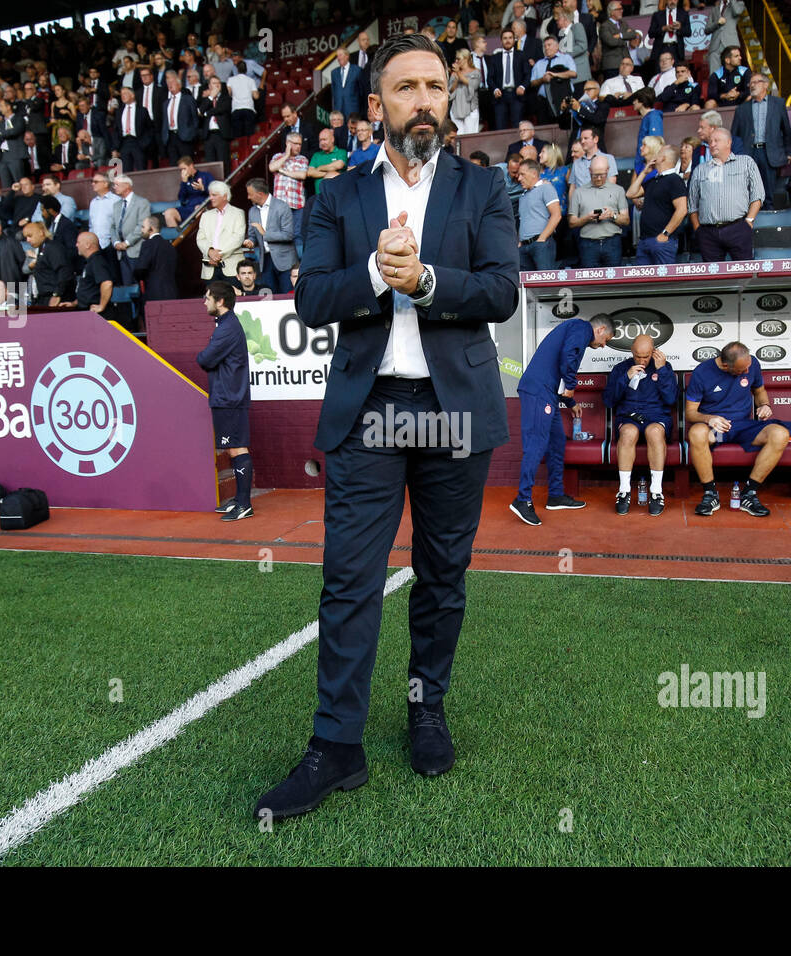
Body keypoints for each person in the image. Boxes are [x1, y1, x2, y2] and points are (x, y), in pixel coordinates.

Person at [261, 33, 519, 821]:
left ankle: (424, 708)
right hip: (371, 409)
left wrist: (430, 280)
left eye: (435, 87)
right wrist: (376, 273)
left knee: (443, 576)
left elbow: (502, 291)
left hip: (450, 412)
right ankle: (337, 746)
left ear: (449, 100)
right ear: (376, 106)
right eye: (405, 87)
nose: (422, 101)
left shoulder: (486, 187)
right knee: (350, 581)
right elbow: (310, 299)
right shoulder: (339, 195)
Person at [512, 315, 614, 523]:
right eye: (606, 340)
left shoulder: (576, 330)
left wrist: (571, 402)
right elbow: (567, 356)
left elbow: (561, 363)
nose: (603, 345)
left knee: (557, 441)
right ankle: (522, 500)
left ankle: (556, 495)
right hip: (538, 391)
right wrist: (570, 385)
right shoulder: (582, 327)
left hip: (547, 392)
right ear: (601, 329)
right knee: (536, 445)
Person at [685, 341, 789, 517]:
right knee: (696, 433)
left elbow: (759, 390)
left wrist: (764, 405)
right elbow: (690, 413)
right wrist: (710, 419)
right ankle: (710, 494)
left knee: (780, 434)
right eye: (742, 370)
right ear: (726, 365)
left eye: (748, 367)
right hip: (718, 431)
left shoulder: (752, 363)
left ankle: (749, 493)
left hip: (743, 427)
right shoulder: (702, 372)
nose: (747, 372)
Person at [196, 278, 255, 521]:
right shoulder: (226, 325)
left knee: (237, 447)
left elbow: (205, 359)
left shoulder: (228, 327)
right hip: (227, 396)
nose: (204, 302)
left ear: (220, 301)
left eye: (208, 298)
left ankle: (244, 503)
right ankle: (240, 500)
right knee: (233, 448)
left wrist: (205, 356)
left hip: (230, 398)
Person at [605, 333, 677, 514]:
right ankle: (624, 491)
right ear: (632, 352)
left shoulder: (663, 366)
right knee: (628, 432)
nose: (642, 360)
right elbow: (609, 401)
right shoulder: (621, 369)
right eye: (638, 356)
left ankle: (656, 492)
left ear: (653, 351)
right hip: (629, 416)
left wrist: (661, 371)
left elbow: (671, 400)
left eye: (646, 356)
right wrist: (625, 378)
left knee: (654, 432)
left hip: (656, 416)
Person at [689, 127, 764, 262]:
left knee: (743, 274)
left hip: (738, 228)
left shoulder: (746, 162)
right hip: (708, 233)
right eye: (710, 141)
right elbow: (692, 205)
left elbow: (757, 195)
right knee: (712, 280)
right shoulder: (700, 170)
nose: (712, 144)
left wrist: (749, 221)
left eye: (716, 140)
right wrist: (698, 230)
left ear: (728, 142)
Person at [730, 73, 791, 210]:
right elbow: (734, 135)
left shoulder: (778, 103)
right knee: (750, 191)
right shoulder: (742, 109)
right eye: (750, 83)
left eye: (756, 82)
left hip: (769, 153)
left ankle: (768, 219)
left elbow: (786, 130)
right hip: (749, 154)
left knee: (769, 191)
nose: (752, 85)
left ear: (766, 84)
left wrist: (788, 152)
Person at [630, 143, 688, 264]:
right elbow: (631, 194)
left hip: (662, 242)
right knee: (643, 281)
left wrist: (665, 234)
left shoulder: (674, 180)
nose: (654, 156)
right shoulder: (653, 180)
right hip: (644, 241)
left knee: (664, 281)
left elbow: (682, 210)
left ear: (662, 158)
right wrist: (644, 173)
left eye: (658, 153)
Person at [570, 155, 629, 266]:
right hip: (588, 244)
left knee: (614, 280)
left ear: (608, 170)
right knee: (590, 281)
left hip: (612, 242)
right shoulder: (578, 192)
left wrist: (612, 215)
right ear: (589, 171)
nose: (598, 178)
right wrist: (587, 218)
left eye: (602, 175)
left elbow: (626, 220)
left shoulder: (618, 190)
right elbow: (572, 222)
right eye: (595, 175)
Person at [243, 178, 296, 294]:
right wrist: (250, 242)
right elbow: (252, 235)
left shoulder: (282, 207)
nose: (248, 197)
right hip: (265, 261)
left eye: (250, 194)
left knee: (287, 296)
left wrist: (265, 234)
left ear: (260, 194)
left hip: (285, 261)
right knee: (269, 297)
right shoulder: (252, 211)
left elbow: (289, 235)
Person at [194, 180, 247, 281]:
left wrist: (218, 255)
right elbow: (200, 239)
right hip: (210, 268)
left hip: (231, 268)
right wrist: (210, 252)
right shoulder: (205, 216)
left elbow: (238, 238)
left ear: (225, 196)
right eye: (210, 195)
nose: (211, 198)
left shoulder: (238, 213)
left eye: (214, 195)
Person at [517, 159, 562, 270]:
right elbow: (524, 220)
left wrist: (541, 239)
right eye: (519, 175)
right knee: (525, 284)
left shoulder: (546, 188)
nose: (519, 178)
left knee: (545, 283)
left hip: (541, 244)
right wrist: (520, 242)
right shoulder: (523, 196)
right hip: (524, 246)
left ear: (534, 173)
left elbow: (556, 215)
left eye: (522, 174)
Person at [22, 222, 75, 306]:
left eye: (30, 236)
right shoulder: (42, 248)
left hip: (56, 299)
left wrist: (57, 294)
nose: (27, 240)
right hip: (44, 298)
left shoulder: (52, 248)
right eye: (26, 237)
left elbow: (64, 271)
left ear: (41, 232)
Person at [111, 175, 151, 285]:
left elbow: (142, 226)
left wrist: (127, 242)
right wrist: (116, 242)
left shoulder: (142, 202)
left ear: (127, 186)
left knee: (139, 284)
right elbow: (112, 227)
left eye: (117, 184)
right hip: (121, 252)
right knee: (127, 283)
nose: (114, 187)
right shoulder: (116, 205)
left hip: (135, 249)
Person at [64, 232, 115, 314]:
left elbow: (107, 283)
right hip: (84, 310)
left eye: (78, 242)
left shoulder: (97, 261)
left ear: (88, 245)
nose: (76, 245)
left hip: (94, 314)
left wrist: (101, 306)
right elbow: (89, 290)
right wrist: (74, 303)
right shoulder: (90, 262)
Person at [530, 35, 577, 122]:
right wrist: (542, 80)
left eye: (549, 45)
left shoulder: (566, 58)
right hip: (544, 103)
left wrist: (555, 75)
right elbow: (532, 83)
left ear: (557, 46)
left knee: (564, 126)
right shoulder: (539, 64)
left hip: (563, 99)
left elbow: (573, 73)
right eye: (545, 46)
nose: (546, 48)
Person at [132, 214, 179, 302]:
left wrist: (136, 275)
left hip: (154, 293)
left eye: (143, 227)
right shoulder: (170, 245)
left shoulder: (148, 244)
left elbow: (141, 268)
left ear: (151, 229)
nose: (141, 230)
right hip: (172, 292)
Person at [489, 28, 529, 129]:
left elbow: (527, 74)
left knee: (517, 127)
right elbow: (490, 78)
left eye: (510, 38)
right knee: (500, 128)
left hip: (517, 95)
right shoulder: (495, 57)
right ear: (501, 41)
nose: (508, 40)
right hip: (500, 96)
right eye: (505, 38)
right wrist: (495, 89)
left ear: (514, 39)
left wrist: (522, 87)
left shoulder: (521, 55)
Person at [164, 157, 214, 229]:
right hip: (189, 208)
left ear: (191, 166)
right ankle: (177, 238)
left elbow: (215, 192)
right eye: (181, 170)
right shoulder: (185, 180)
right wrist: (184, 183)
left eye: (184, 169)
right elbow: (182, 199)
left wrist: (203, 189)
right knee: (169, 212)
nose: (183, 172)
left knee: (199, 210)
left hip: (203, 206)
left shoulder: (205, 175)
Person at [599, 3, 644, 80]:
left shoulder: (623, 23)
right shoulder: (605, 26)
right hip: (612, 65)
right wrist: (625, 37)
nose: (622, 11)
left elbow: (633, 34)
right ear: (612, 12)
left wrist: (620, 35)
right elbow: (611, 42)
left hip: (626, 63)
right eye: (619, 9)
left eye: (621, 9)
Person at [705, 0, 746, 74]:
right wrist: (717, 23)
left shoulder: (738, 4)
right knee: (714, 74)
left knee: (733, 73)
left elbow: (737, 11)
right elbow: (707, 29)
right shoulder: (715, 9)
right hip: (715, 46)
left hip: (730, 43)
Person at [705, 44, 749, 109]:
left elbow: (750, 90)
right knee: (709, 103)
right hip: (722, 106)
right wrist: (725, 96)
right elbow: (711, 95)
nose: (740, 58)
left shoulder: (745, 71)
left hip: (741, 104)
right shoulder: (716, 75)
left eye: (740, 55)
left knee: (750, 98)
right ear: (727, 60)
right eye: (736, 56)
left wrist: (738, 94)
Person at [450, 49, 483, 135]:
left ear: (466, 59)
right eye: (455, 59)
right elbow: (450, 91)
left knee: (471, 136)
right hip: (456, 108)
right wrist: (456, 80)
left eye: (458, 59)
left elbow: (474, 85)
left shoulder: (476, 72)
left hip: (470, 108)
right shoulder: (454, 74)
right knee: (458, 137)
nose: (456, 61)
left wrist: (458, 73)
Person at [631, 88, 663, 174]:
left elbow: (655, 143)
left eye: (635, 100)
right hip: (642, 164)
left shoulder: (653, 117)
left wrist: (648, 165)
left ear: (642, 102)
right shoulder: (647, 118)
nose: (633, 102)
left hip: (648, 166)